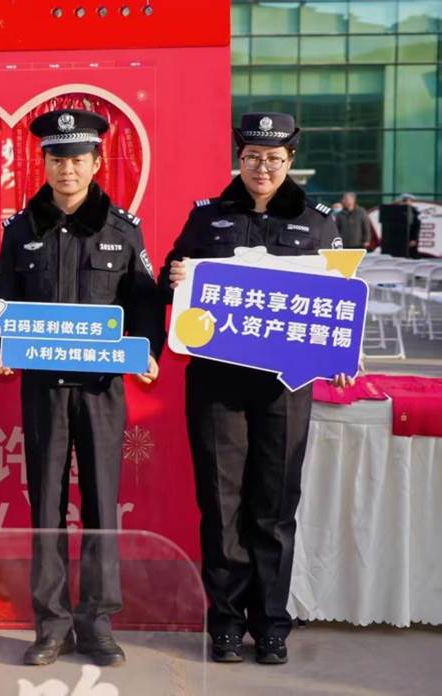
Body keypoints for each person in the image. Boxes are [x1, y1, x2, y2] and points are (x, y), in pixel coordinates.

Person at [159, 112, 354, 666]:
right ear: (238, 159)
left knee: (274, 505)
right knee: (221, 504)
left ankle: (270, 623)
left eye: (273, 159)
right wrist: (177, 278)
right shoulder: (207, 217)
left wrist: (341, 353)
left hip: (284, 386)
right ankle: (224, 622)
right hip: (216, 383)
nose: (261, 168)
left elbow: (342, 298)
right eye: (251, 157)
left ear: (290, 160)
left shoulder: (318, 223)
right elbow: (171, 280)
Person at [0, 109, 163, 667]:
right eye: (57, 159)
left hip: (100, 388)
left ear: (96, 162)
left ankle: (97, 623)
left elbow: (144, 300)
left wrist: (147, 351)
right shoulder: (22, 229)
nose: (68, 169)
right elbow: (2, 301)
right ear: (44, 163)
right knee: (45, 502)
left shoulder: (122, 228)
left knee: (101, 503)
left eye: (78, 159)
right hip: (42, 387)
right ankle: (51, 625)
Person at [398, 193, 422, 258]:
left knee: (411, 255)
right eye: (404, 200)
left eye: (407, 200)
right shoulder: (395, 211)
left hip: (410, 239)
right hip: (398, 241)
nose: (405, 202)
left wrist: (414, 239)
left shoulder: (413, 212)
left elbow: (416, 227)